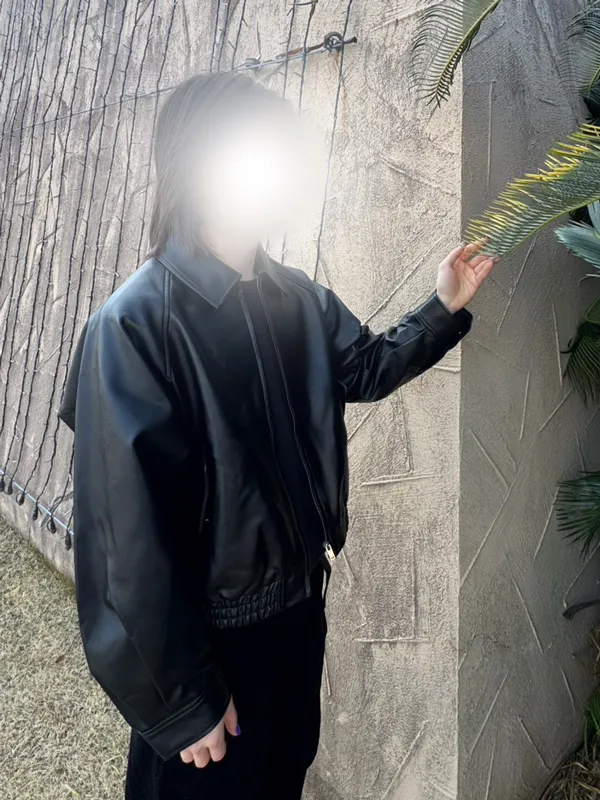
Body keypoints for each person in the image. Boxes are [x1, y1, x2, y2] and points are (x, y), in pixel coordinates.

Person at [58, 71, 497, 800]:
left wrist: (441, 307)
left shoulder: (292, 296)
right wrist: (181, 700)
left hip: (298, 611)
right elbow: (121, 540)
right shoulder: (132, 327)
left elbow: (363, 366)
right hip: (214, 642)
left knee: (282, 779)